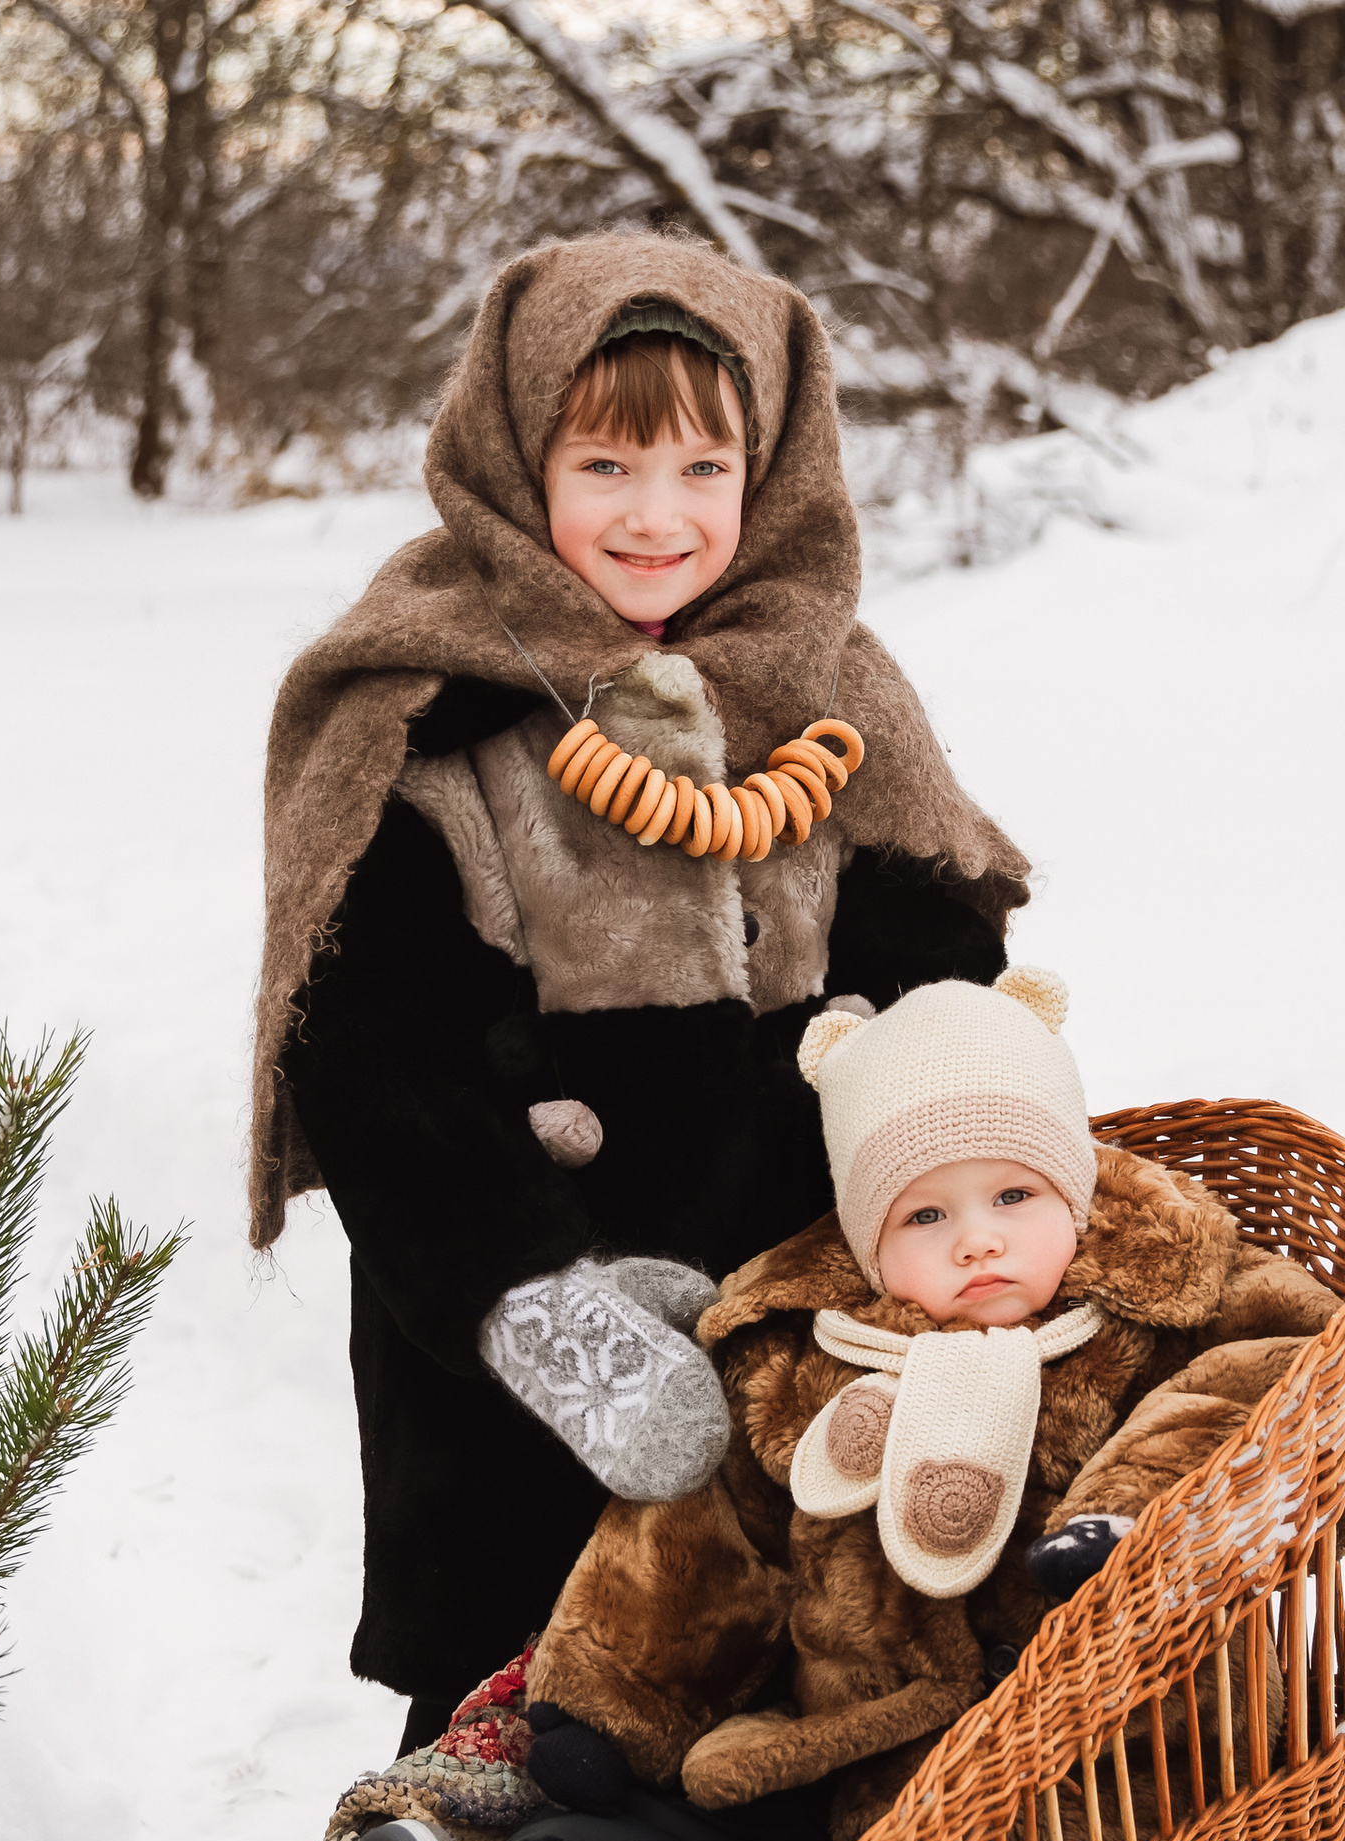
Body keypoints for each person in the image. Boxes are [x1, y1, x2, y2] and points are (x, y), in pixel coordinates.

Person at [251, 237, 1031, 1763]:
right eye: (604, 462)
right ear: (512, 451)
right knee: (531, 1709)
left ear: (773, 467)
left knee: (800, 1708)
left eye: (703, 464)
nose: (658, 516)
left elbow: (943, 987)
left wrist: (973, 1191)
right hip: (528, 1359)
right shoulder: (426, 709)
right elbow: (375, 1060)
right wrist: (544, 1313)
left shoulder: (828, 694)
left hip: (802, 1337)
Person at [341, 970, 1342, 1841]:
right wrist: (609, 1707)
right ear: (869, 1245)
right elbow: (700, 1543)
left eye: (1014, 1196)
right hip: (841, 1754)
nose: (976, 1239)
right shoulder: (811, 1357)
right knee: (662, 1821)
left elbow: (1260, 1374)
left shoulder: (1164, 1315)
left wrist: (1125, 1518)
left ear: (1077, 1197)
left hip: (1073, 1777)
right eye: (925, 1213)